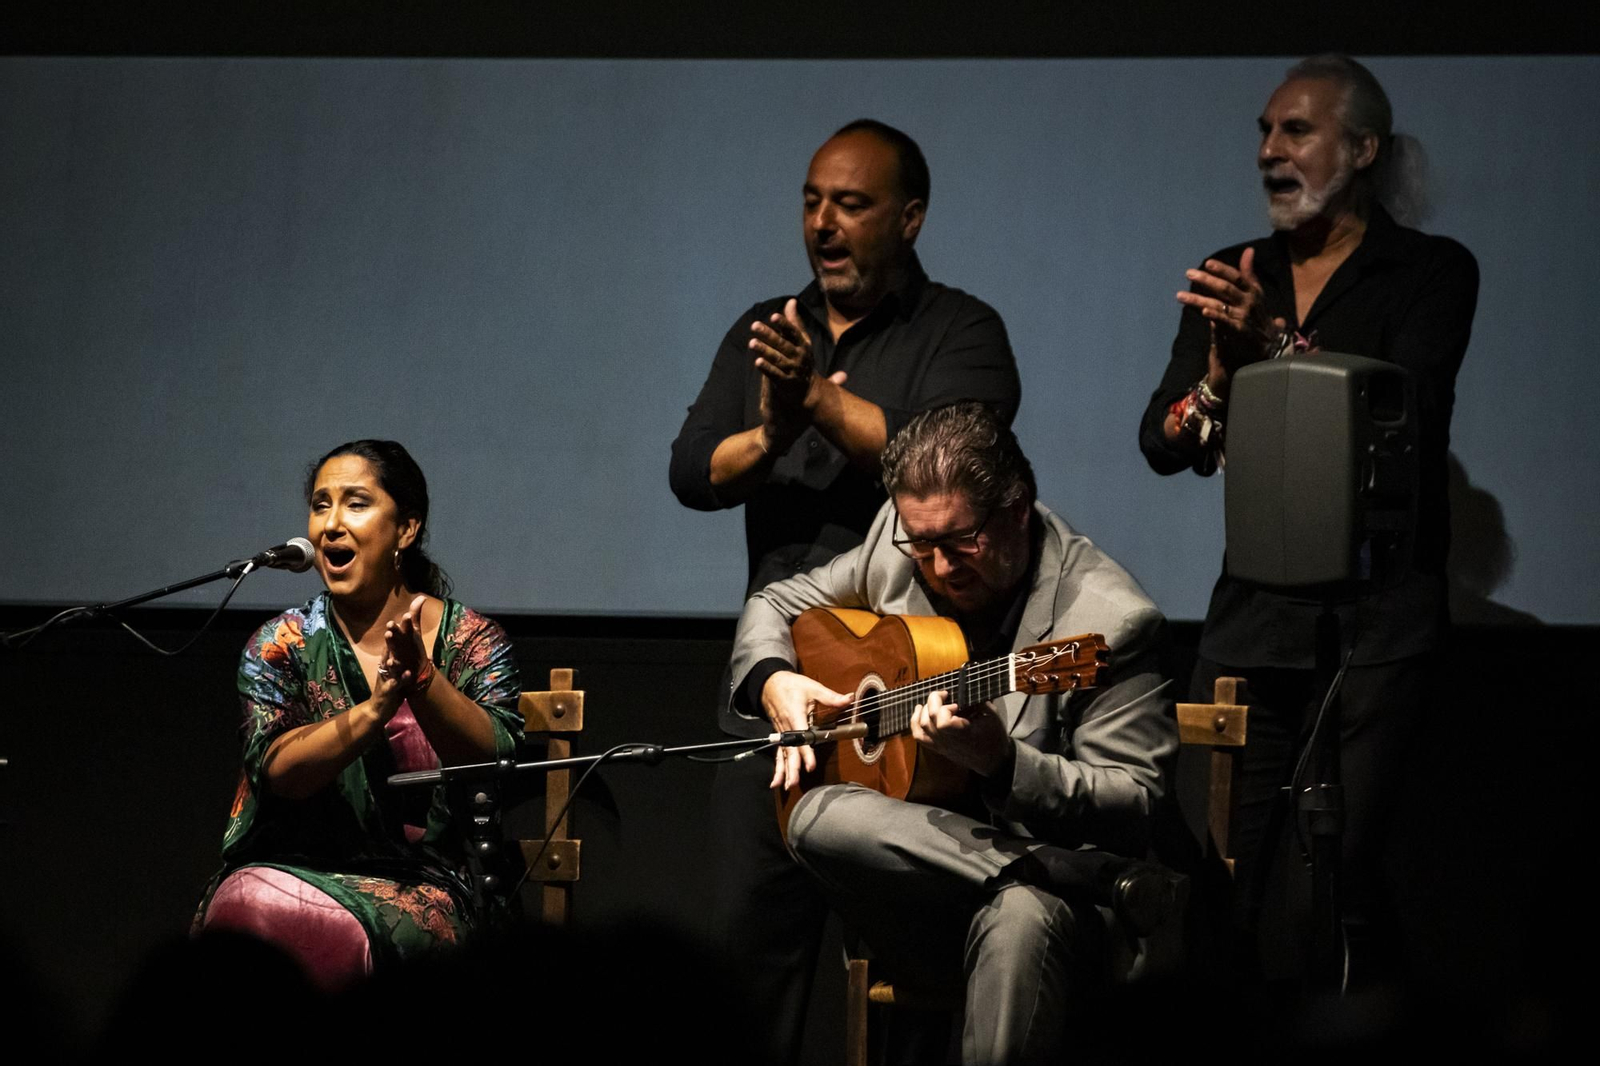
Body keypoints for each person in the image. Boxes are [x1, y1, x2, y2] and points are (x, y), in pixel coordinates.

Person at [669, 119, 1021, 1059]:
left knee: (909, 971)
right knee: (751, 955)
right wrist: (774, 433)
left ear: (909, 219)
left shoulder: (963, 331)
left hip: (905, 690)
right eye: (812, 200)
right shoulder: (766, 330)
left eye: (851, 204)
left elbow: (949, 458)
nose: (823, 222)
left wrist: (816, 399)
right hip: (777, 683)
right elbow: (696, 470)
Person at [1138, 55, 1479, 984]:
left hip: (1377, 628)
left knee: (1338, 879)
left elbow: (1406, 419)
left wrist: (1278, 347)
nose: (1269, 151)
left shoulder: (1430, 272)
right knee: (1215, 879)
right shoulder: (1231, 273)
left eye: (1297, 131)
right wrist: (1218, 375)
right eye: (1263, 131)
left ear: (1363, 149)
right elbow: (1164, 442)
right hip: (1253, 623)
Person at [733, 403, 1178, 1065]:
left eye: (959, 540)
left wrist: (1003, 765)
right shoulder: (899, 537)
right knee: (815, 815)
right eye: (921, 543)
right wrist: (773, 678)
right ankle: (1046, 873)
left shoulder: (1111, 621)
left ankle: (1041, 875)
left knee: (1024, 913)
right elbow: (775, 601)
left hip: (1065, 925)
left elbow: (1136, 802)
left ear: (1017, 509)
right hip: (930, 901)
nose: (936, 566)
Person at [195, 440, 523, 988]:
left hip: (424, 884)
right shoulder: (281, 642)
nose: (331, 524)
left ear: (407, 528)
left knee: (326, 930)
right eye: (321, 504)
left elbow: (495, 752)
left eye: (356, 503)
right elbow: (276, 771)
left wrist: (422, 680)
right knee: (245, 906)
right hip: (291, 868)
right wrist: (373, 712)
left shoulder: (471, 640)